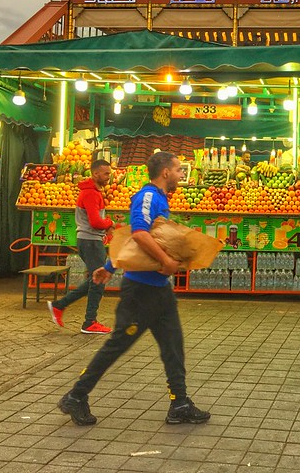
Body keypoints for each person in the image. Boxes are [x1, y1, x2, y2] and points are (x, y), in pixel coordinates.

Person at [57, 152, 211, 426]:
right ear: (165, 172)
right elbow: (138, 233)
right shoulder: (148, 196)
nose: (180, 174)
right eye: (177, 170)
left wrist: (109, 265)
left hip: (158, 290)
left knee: (173, 346)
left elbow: (129, 237)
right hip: (140, 292)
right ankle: (76, 396)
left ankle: (180, 403)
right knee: (117, 345)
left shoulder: (160, 199)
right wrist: (165, 260)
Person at [47, 159, 114, 334]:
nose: (109, 176)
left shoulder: (92, 192)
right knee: (99, 279)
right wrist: (110, 223)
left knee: (95, 279)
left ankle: (59, 305)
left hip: (89, 240)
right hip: (90, 240)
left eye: (109, 173)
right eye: (106, 173)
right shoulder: (91, 194)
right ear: (95, 174)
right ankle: (89, 322)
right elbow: (95, 222)